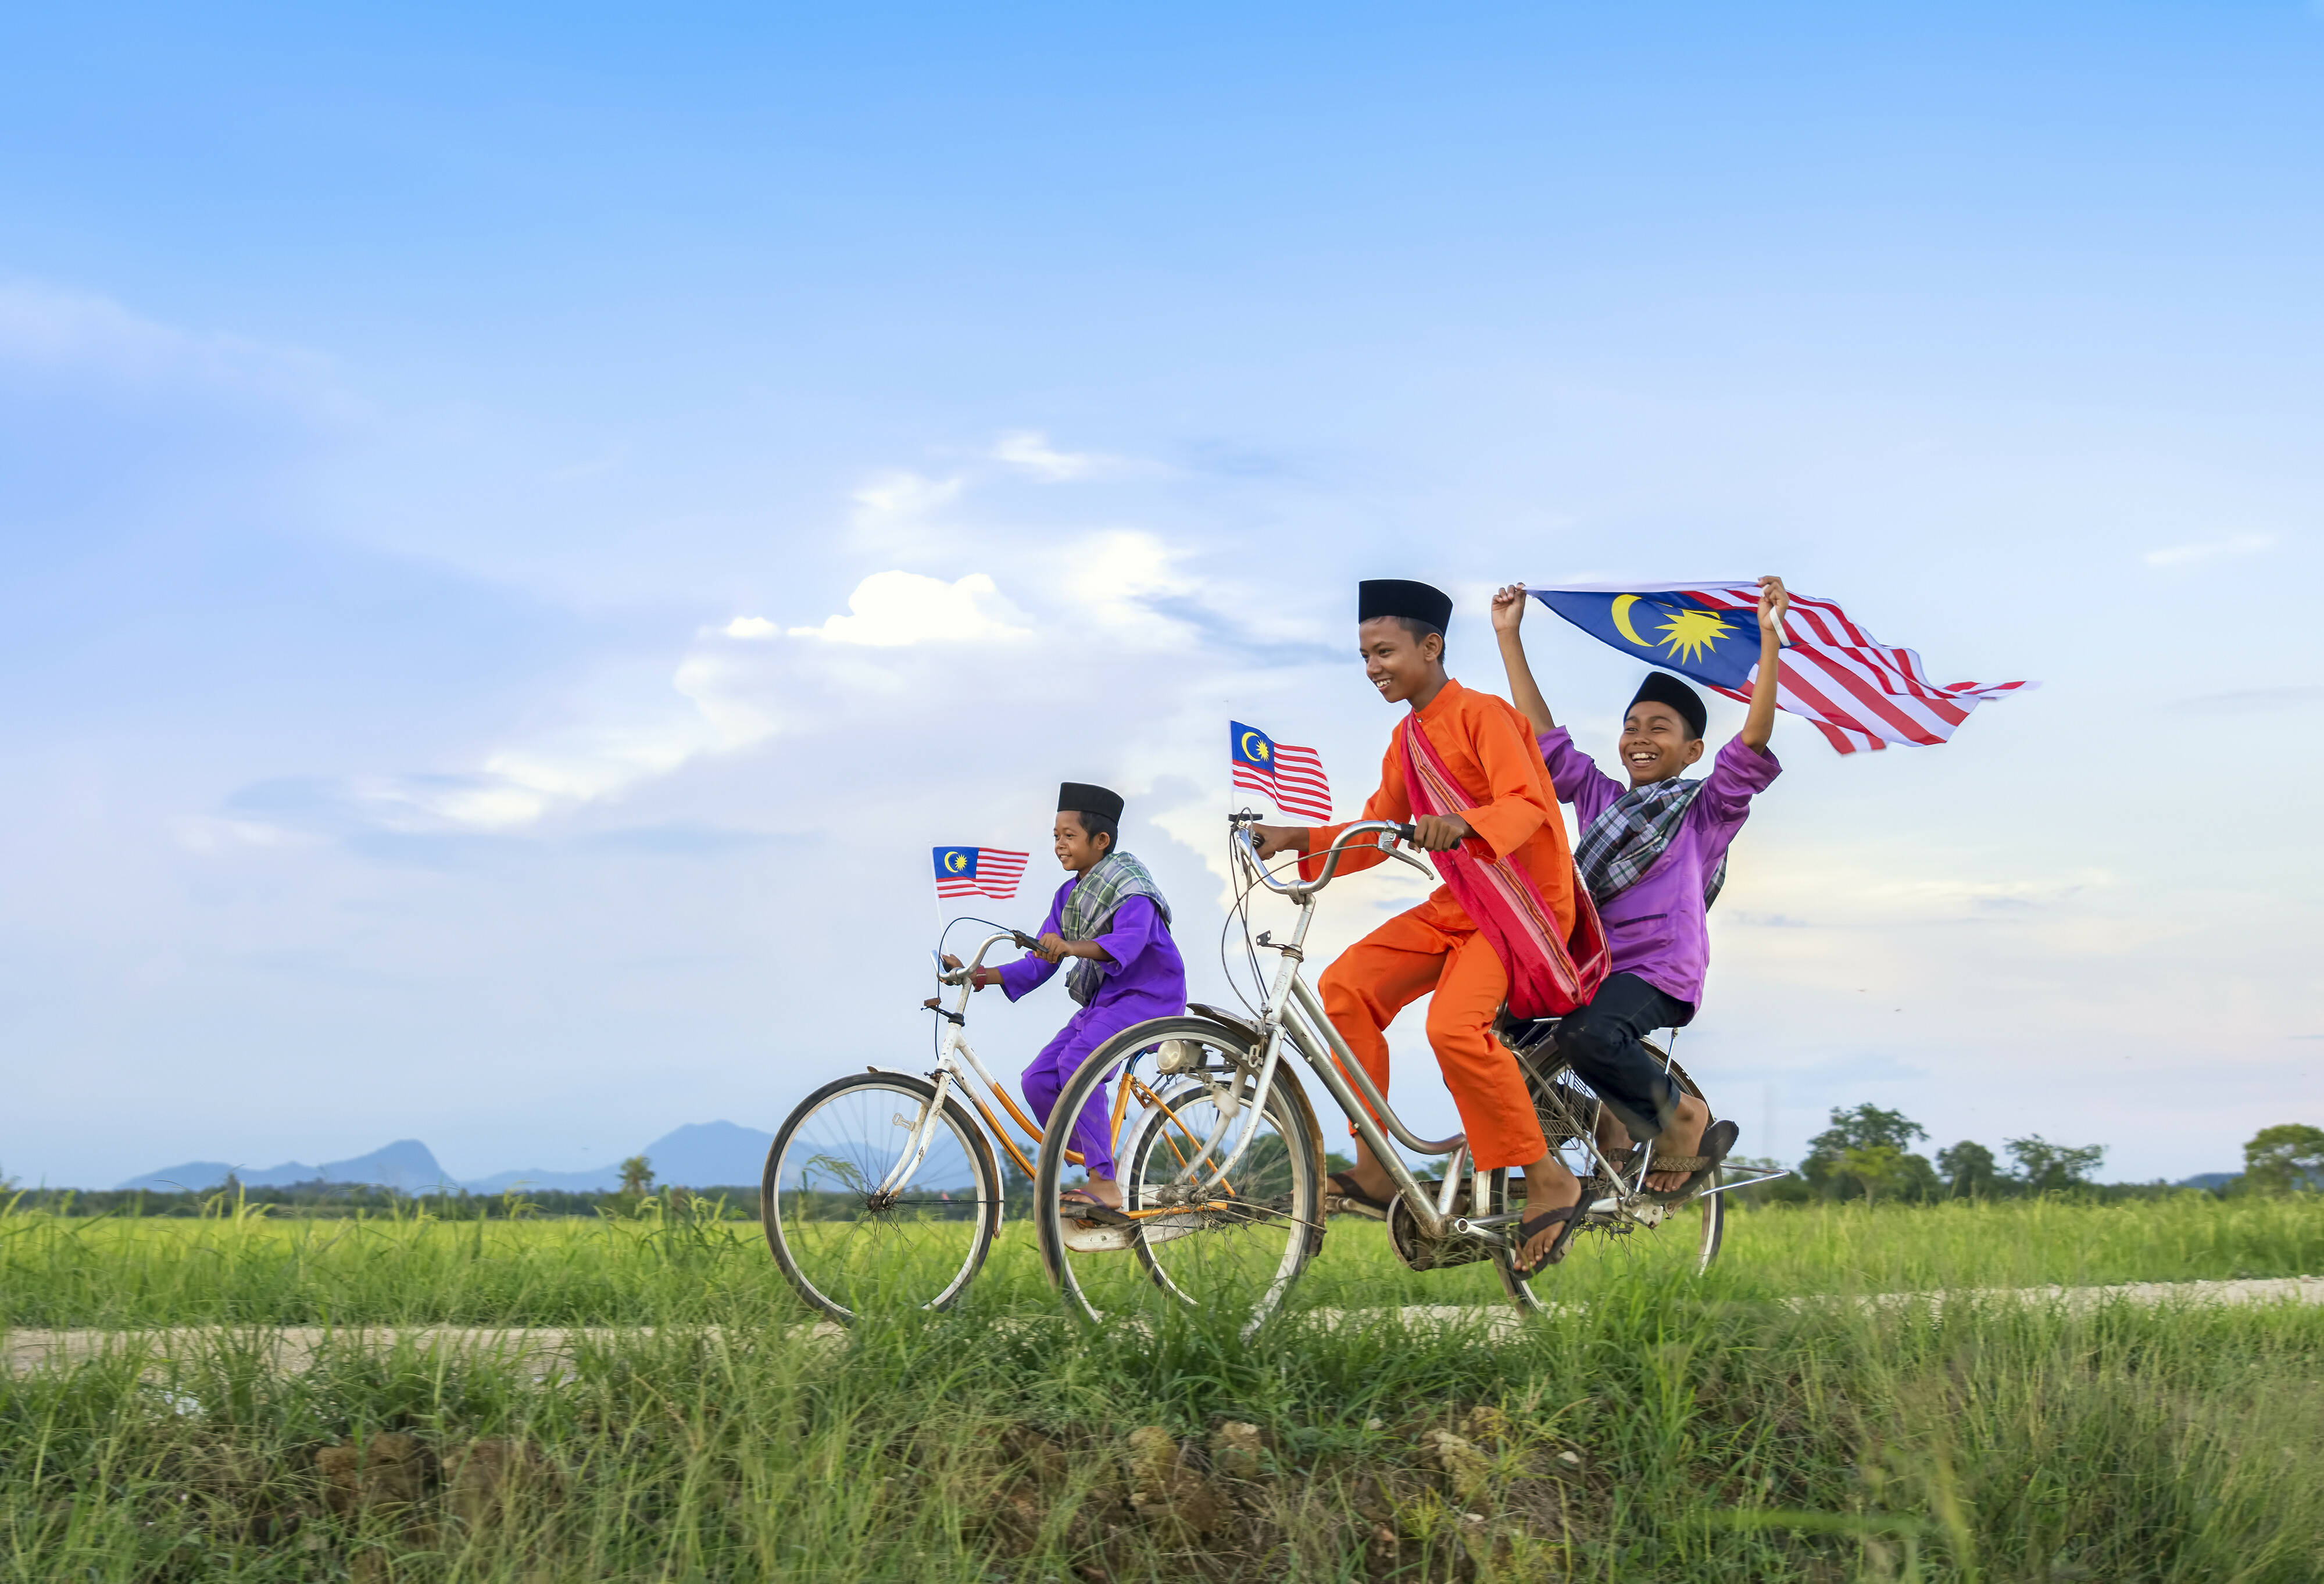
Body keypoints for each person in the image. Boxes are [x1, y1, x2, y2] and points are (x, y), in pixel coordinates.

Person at [1249, 579, 1601, 1275]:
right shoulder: (1405, 740)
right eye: (1363, 654)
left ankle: (1548, 1179)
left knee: (1451, 1027)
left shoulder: (1485, 715)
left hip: (1521, 902)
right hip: (1464, 905)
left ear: (1430, 647)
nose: (1373, 666)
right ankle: (1376, 1164)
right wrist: (1298, 837)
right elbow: (1377, 827)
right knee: (1345, 985)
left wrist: (1463, 822)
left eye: (1384, 651)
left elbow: (1528, 803)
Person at [1489, 576, 1787, 1245]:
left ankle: (1682, 1118)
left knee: (1588, 1037)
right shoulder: (1601, 801)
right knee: (1492, 1032)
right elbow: (1546, 742)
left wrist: (1768, 642)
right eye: (1631, 726)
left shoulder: (1702, 811)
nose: (1639, 737)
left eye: (1660, 728)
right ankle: (1593, 1121)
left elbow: (1752, 743)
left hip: (1655, 972)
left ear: (1690, 752)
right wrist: (1509, 636)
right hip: (1588, 968)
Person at [938, 782, 1186, 1220]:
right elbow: (1039, 961)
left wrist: (1072, 947)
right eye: (1055, 835)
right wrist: (980, 975)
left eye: (1068, 835)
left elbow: (1126, 943)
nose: (1058, 845)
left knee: (1078, 1065)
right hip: (1106, 1002)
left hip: (1149, 998)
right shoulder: (1068, 897)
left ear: (1101, 841)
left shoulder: (1131, 885)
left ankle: (1104, 1180)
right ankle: (1092, 1156)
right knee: (1037, 1079)